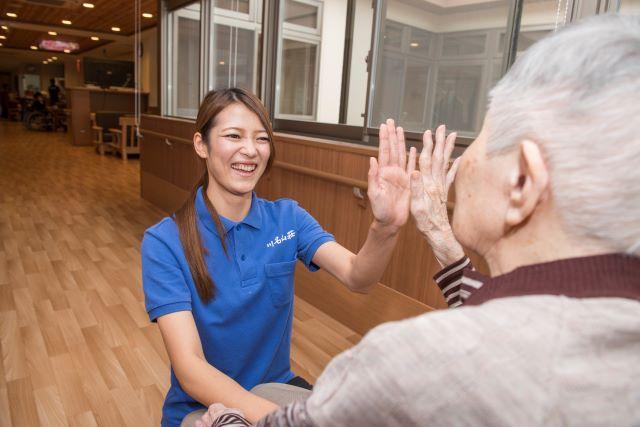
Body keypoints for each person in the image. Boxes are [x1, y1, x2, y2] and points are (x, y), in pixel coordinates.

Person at [196, 14, 640, 427]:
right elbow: (513, 310)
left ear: (523, 180)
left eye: (477, 142)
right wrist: (436, 230)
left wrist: (219, 420)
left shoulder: (410, 359)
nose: (460, 165)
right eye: (232, 136)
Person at [141, 88, 419, 426]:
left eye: (261, 139)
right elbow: (191, 370)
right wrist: (283, 421)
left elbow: (358, 277)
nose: (250, 150)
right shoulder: (163, 242)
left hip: (274, 390)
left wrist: (386, 227)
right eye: (233, 135)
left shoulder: (289, 218)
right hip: (202, 407)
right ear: (201, 144)